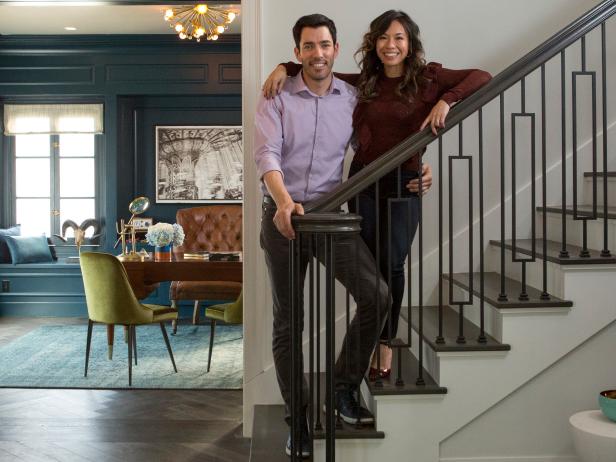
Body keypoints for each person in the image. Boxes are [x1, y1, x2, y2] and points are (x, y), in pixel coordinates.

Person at [263, 10, 492, 380]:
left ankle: (385, 342)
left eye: (398, 38)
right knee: (372, 272)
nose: (390, 45)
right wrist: (283, 67)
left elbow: (482, 77)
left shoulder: (429, 78)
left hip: (406, 183)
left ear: (410, 43)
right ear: (374, 44)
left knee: (393, 263)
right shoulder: (363, 84)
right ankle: (363, 353)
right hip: (363, 184)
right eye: (384, 38)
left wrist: (446, 101)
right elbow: (319, 70)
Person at [255, 14, 389, 458]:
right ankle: (299, 421)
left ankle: (342, 387)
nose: (318, 54)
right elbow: (266, 153)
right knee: (288, 322)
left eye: (325, 45)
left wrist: (418, 166)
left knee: (376, 295)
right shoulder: (276, 95)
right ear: (297, 52)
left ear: (336, 48)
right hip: (283, 217)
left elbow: (377, 143)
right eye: (308, 47)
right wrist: (283, 202)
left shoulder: (351, 99)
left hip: (331, 216)